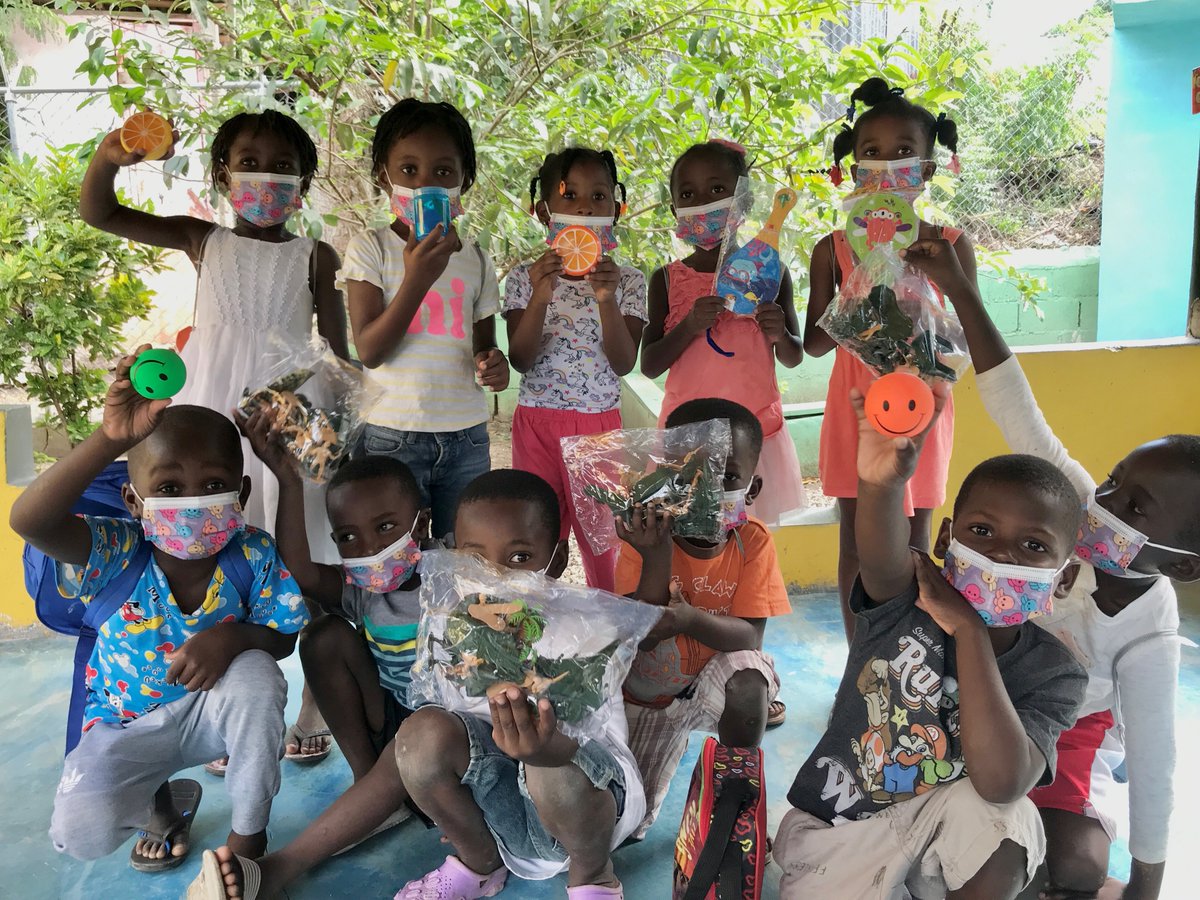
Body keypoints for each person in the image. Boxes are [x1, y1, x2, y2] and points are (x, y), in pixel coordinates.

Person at [901, 237, 1200, 900]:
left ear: (1182, 565)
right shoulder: (1076, 506)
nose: (1105, 501)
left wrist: (1149, 885)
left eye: (1136, 505)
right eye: (1116, 479)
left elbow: (1156, 760)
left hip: (1067, 729)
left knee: (1071, 869)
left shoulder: (1150, 632)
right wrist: (960, 288)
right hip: (968, 686)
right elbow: (1015, 404)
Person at [185, 470, 644, 900]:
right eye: (475, 559)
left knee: (548, 760)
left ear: (556, 558)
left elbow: (589, 750)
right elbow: (447, 737)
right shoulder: (451, 628)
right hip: (500, 806)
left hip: (585, 809)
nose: (495, 577)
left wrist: (543, 751)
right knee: (420, 734)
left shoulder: (584, 632)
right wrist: (446, 796)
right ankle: (468, 863)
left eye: (519, 558)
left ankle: (593, 878)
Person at [80, 108, 346, 763]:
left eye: (283, 167)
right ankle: (220, 705)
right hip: (211, 410)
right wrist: (112, 156)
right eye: (248, 163)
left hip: (293, 413)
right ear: (223, 175)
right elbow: (100, 213)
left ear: (303, 183)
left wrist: (338, 409)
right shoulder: (203, 239)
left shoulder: (318, 253)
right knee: (211, 554)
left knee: (307, 552)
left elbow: (340, 346)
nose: (265, 177)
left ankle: (316, 696)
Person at [774, 380, 1088, 899]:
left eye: (1033, 545)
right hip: (842, 832)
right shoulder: (909, 593)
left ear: (1065, 578)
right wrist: (881, 485)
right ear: (945, 539)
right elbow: (877, 554)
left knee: (1012, 823)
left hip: (943, 836)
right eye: (983, 531)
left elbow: (1002, 783)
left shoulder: (1055, 671)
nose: (1003, 555)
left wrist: (967, 630)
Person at [10, 348, 308, 873]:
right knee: (80, 832)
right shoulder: (114, 550)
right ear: (132, 500)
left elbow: (283, 636)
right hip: (126, 725)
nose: (193, 502)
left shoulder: (251, 553)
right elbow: (31, 520)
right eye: (169, 489)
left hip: (211, 714)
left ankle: (248, 839)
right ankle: (163, 809)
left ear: (241, 492)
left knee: (258, 678)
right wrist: (110, 440)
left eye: (214, 486)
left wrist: (234, 638)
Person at [802, 76, 982, 643]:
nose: (885, 166)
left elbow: (972, 335)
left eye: (904, 153)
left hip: (923, 405)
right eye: (871, 154)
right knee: (855, 538)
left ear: (928, 170)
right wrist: (860, 276)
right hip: (855, 405)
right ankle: (860, 664)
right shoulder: (830, 247)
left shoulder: (950, 243)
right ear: (852, 169)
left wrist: (934, 270)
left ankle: (909, 657)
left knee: (914, 536)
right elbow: (812, 343)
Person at [615, 397, 791, 837]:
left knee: (751, 677)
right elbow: (646, 637)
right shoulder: (648, 536)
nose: (706, 487)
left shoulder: (754, 542)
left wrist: (691, 620)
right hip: (649, 696)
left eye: (727, 475)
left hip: (716, 680)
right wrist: (656, 555)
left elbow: (751, 637)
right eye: (688, 473)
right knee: (627, 823)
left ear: (751, 489)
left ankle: (731, 798)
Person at [341, 98, 510, 540]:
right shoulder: (370, 247)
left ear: (463, 180)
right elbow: (370, 350)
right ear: (384, 175)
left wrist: (493, 365)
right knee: (396, 553)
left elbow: (483, 347)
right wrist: (417, 278)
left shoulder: (475, 257)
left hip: (467, 435)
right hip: (392, 433)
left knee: (466, 551)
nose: (425, 184)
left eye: (443, 172)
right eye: (409, 170)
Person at [240, 409, 430, 791]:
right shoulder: (361, 588)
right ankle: (368, 779)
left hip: (452, 722)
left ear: (422, 525)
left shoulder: (457, 578)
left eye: (386, 527)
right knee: (322, 635)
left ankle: (400, 789)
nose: (370, 547)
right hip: (391, 716)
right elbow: (300, 573)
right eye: (348, 537)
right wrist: (289, 482)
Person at [640, 139, 807, 531]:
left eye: (718, 190)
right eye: (688, 194)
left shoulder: (772, 272)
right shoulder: (665, 280)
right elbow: (649, 365)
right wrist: (690, 326)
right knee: (688, 536)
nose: (703, 203)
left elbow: (794, 355)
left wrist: (778, 331)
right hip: (686, 438)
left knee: (752, 537)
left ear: (745, 201)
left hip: (755, 439)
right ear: (675, 210)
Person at [505, 146, 647, 591]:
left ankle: (612, 640)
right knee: (534, 543)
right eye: (570, 196)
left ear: (615, 209)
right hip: (536, 426)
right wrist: (540, 295)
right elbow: (520, 359)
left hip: (599, 430)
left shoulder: (630, 282)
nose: (585, 206)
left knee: (605, 546)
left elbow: (623, 363)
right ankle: (531, 639)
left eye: (599, 196)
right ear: (545, 211)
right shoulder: (522, 279)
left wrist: (606, 299)